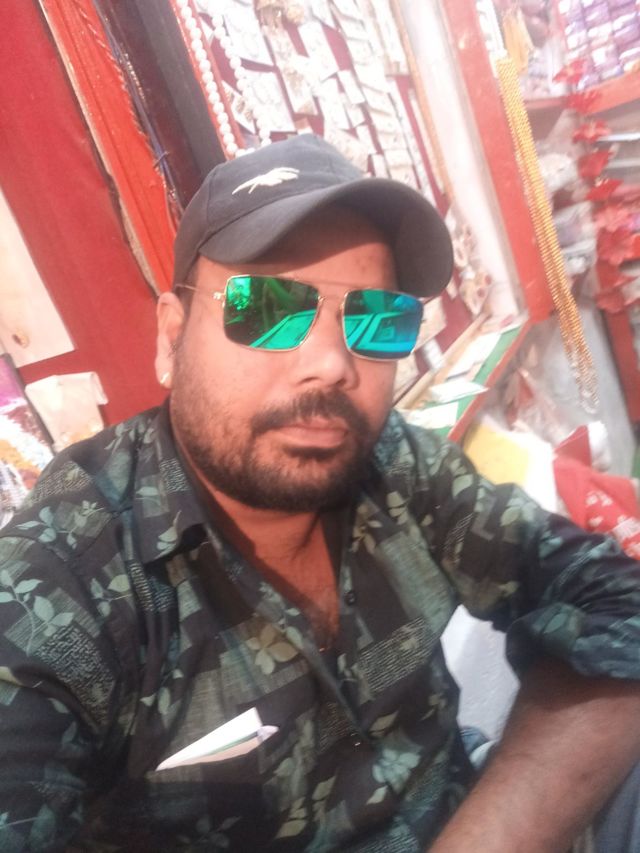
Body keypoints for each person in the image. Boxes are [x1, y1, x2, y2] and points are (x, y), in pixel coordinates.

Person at [0, 134, 638, 853]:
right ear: (170, 339)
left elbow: (615, 600)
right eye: (268, 308)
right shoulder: (58, 589)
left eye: (377, 319)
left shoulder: (394, 463)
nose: (334, 363)